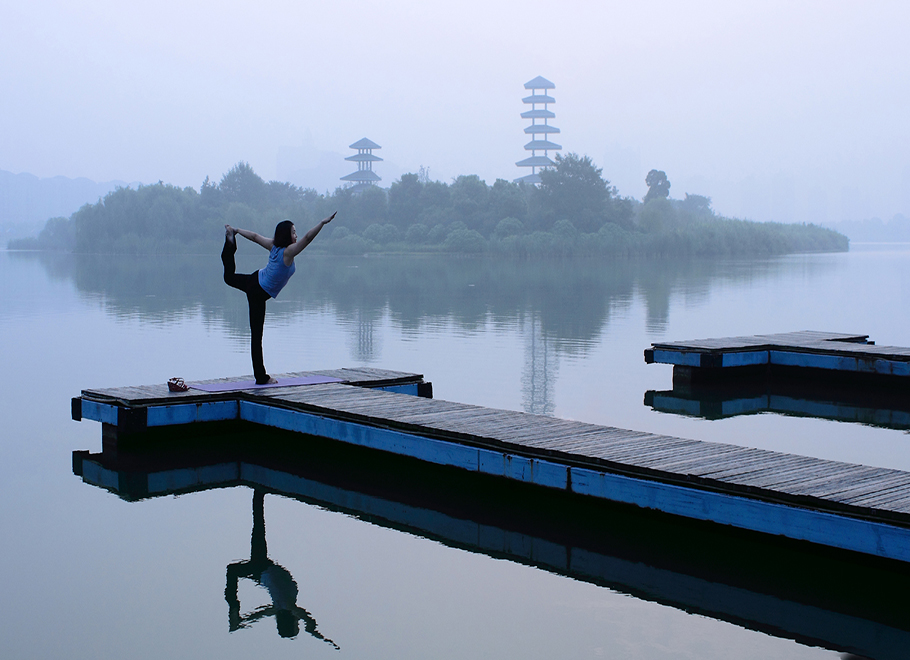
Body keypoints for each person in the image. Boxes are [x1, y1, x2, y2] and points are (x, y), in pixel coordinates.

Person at [222, 213, 336, 384]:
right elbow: (308, 238)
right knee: (256, 337)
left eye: (296, 232)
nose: (296, 235)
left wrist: (237, 230)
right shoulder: (288, 252)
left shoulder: (273, 246)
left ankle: (230, 242)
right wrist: (322, 222)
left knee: (228, 277)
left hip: (254, 281)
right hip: (258, 292)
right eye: (293, 232)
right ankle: (261, 378)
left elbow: (254, 237)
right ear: (286, 235)